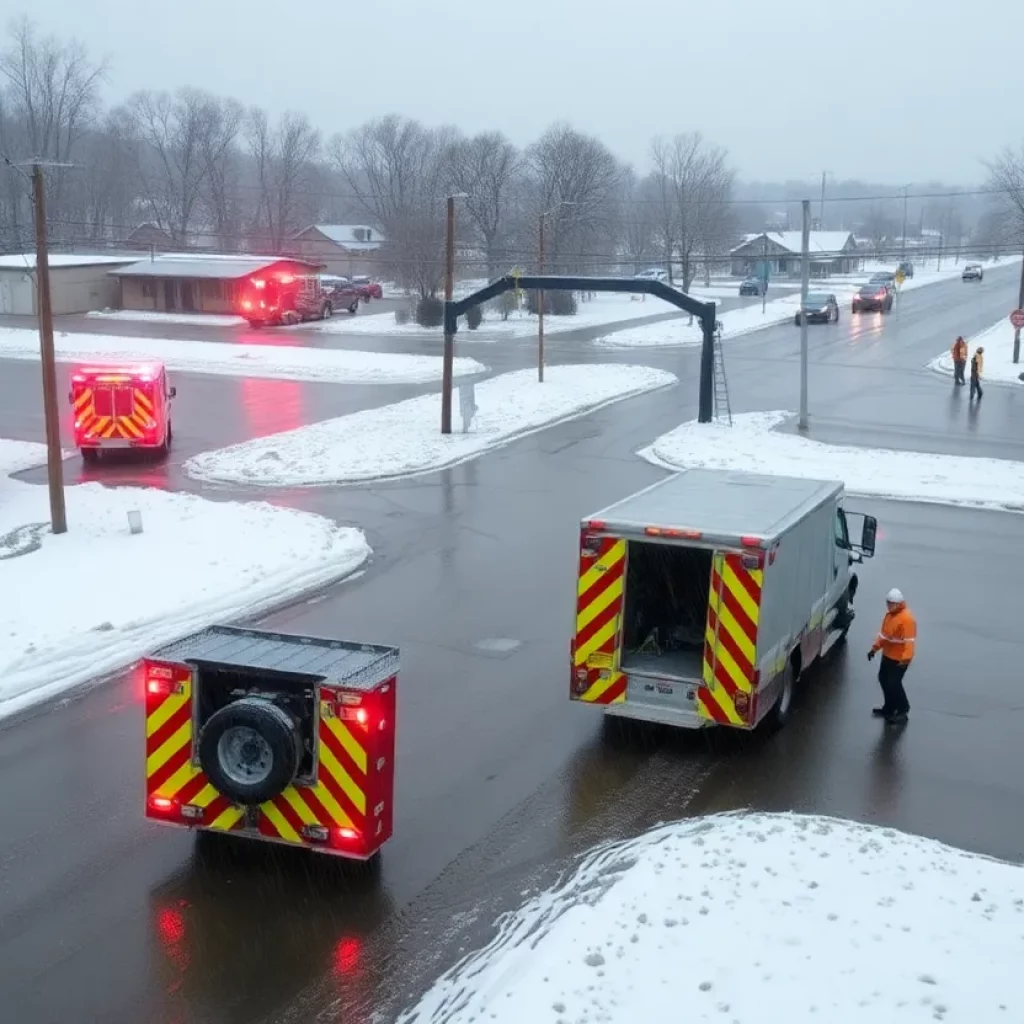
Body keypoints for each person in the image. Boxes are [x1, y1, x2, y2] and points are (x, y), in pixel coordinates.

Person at [867, 588, 916, 724]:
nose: (888, 606)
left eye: (891, 603)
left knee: (894, 683)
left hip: (900, 659)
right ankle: (889, 707)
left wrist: (905, 659)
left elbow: (909, 642)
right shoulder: (889, 616)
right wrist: (874, 649)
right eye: (887, 603)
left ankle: (903, 710)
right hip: (888, 655)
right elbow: (884, 636)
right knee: (883, 679)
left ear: (899, 604)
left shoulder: (907, 619)